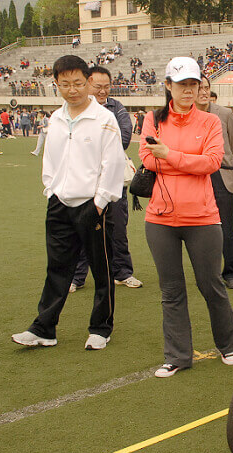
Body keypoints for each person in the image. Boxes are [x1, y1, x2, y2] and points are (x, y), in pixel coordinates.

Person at [11, 55, 125, 351]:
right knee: (57, 268)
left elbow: (112, 163)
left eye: (78, 83)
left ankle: (101, 328)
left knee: (101, 270)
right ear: (56, 84)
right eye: (65, 84)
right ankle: (44, 329)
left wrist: (100, 201)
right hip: (59, 203)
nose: (72, 90)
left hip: (92, 205)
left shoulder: (104, 119)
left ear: (88, 82)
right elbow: (51, 158)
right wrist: (51, 189)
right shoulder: (56, 118)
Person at [140, 57, 233, 378]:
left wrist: (169, 155)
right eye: (182, 84)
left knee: (211, 284)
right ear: (168, 85)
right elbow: (147, 159)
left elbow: (211, 163)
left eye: (193, 84)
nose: (188, 90)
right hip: (160, 220)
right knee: (171, 291)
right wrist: (186, 162)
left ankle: (228, 345)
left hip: (202, 218)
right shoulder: (152, 119)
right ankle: (177, 356)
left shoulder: (210, 122)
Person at [70, 66, 143, 293]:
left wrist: (93, 143)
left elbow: (123, 138)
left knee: (118, 229)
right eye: (98, 86)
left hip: (114, 180)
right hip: (85, 181)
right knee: (84, 228)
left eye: (107, 86)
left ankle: (122, 273)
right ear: (87, 84)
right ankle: (77, 277)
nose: (102, 91)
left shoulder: (116, 107)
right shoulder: (77, 108)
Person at [195, 74, 233, 289]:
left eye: (207, 88)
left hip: (222, 174)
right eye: (199, 88)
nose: (204, 92)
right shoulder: (188, 115)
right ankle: (207, 272)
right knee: (200, 227)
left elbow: (232, 143)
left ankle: (231, 272)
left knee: (226, 227)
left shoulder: (224, 113)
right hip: (196, 176)